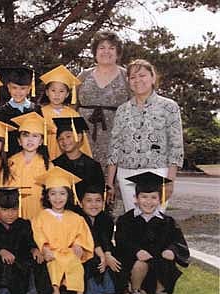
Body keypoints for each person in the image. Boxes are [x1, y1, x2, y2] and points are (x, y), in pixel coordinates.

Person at [106, 59, 184, 212]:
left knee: (154, 224)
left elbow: (176, 146)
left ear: (153, 77)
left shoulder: (169, 107)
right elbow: (114, 146)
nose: (137, 80)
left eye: (142, 75)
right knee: (133, 221)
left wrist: (169, 181)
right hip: (126, 173)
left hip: (157, 172)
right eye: (133, 77)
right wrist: (109, 183)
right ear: (128, 81)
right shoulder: (122, 110)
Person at [114, 172, 189, 294]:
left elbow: (178, 241)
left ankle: (161, 292)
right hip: (135, 266)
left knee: (166, 258)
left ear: (160, 199)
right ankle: (136, 290)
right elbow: (122, 241)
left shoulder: (168, 221)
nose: (148, 202)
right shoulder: (126, 220)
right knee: (140, 263)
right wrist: (136, 251)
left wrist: (172, 250)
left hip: (159, 268)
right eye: (144, 197)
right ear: (135, 199)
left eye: (153, 197)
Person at [32, 167, 94, 294]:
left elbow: (81, 234)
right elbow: (38, 234)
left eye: (62, 194)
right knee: (54, 264)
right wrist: (45, 248)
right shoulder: (41, 216)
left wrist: (78, 245)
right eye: (53, 194)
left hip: (69, 252)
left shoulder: (76, 217)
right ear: (47, 196)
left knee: (76, 265)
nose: (58, 198)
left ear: (68, 196)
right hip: (51, 253)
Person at [0, 187, 43, 294]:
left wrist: (34, 249)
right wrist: (0, 251)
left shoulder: (23, 224)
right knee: (4, 262)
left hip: (20, 261)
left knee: (34, 261)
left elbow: (29, 241)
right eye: (4, 209)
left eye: (14, 209)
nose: (10, 214)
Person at [77, 31, 130, 167]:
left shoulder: (127, 77)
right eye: (102, 48)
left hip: (116, 141)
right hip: (84, 140)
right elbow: (72, 106)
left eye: (111, 48)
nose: (106, 51)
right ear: (95, 52)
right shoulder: (83, 76)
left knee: (112, 183)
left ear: (118, 53)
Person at [37, 65, 92, 160]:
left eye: (61, 91)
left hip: (69, 158)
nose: (57, 94)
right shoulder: (40, 113)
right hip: (46, 156)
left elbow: (82, 141)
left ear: (67, 94)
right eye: (53, 90)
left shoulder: (73, 114)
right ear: (47, 92)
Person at [78, 185, 120, 294]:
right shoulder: (79, 218)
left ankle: (110, 291)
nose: (94, 204)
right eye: (89, 201)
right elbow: (89, 238)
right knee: (93, 261)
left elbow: (105, 238)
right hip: (84, 249)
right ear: (81, 203)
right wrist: (103, 254)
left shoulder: (106, 219)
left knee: (113, 259)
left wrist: (107, 254)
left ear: (103, 202)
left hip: (103, 248)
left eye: (98, 200)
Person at [51, 117, 104, 205]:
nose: (64, 141)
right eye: (60, 139)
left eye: (68, 136)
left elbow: (98, 194)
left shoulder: (93, 166)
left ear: (79, 137)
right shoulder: (55, 165)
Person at [8, 112, 51, 220]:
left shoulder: (48, 165)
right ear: (19, 141)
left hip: (39, 213)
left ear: (41, 141)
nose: (30, 140)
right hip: (15, 213)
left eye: (35, 136)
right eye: (25, 135)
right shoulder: (10, 162)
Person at [0, 66, 39, 156]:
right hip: (10, 159)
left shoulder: (36, 110)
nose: (18, 92)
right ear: (8, 88)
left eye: (23, 88)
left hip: (33, 159)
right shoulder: (1, 113)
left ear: (29, 89)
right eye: (14, 88)